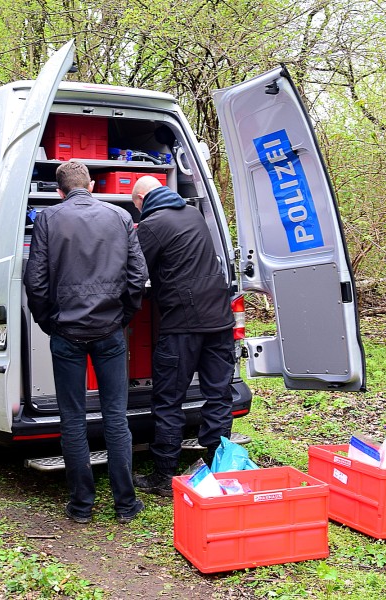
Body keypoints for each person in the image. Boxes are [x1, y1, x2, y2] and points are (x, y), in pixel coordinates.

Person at [24, 160, 148, 524]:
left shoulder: (47, 219)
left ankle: (81, 506)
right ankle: (125, 505)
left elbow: (37, 281)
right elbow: (137, 276)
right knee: (115, 417)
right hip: (110, 331)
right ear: (91, 185)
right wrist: (121, 318)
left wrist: (50, 322)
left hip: (67, 333)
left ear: (60, 190)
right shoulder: (120, 217)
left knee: (73, 420)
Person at [130, 175, 236, 497]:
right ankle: (217, 471)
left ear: (139, 200)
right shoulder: (193, 213)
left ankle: (163, 476)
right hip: (220, 319)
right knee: (218, 395)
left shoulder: (150, 225)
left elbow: (134, 270)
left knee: (168, 401)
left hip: (183, 324)